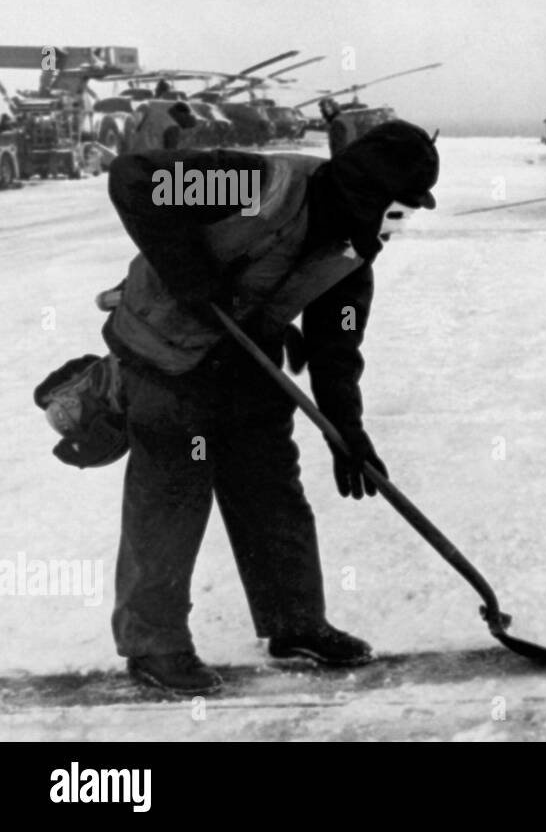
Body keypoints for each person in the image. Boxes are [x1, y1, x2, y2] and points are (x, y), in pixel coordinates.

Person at [101, 120, 439, 693]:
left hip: (246, 359)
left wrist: (347, 433)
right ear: (363, 188)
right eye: (395, 207)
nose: (395, 223)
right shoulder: (256, 183)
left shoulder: (352, 247)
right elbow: (134, 179)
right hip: (166, 353)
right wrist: (191, 273)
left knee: (271, 485)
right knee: (173, 494)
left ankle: (295, 623)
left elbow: (336, 345)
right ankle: (153, 644)